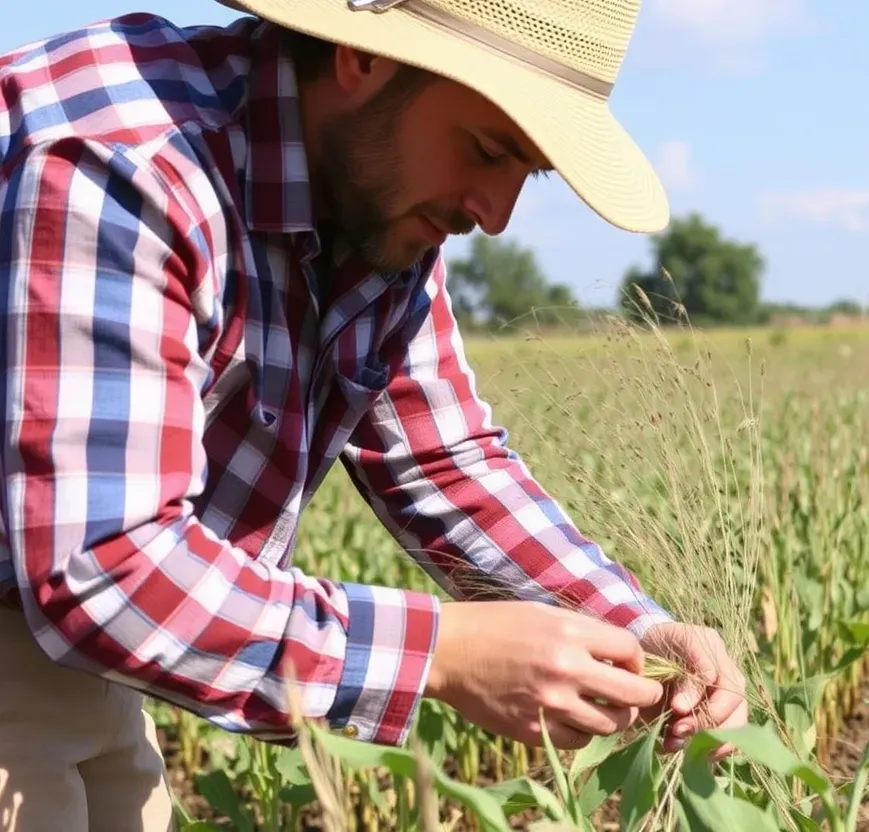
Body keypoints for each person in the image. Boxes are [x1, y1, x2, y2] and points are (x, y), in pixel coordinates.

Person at [0, 0, 748, 829]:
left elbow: (444, 462)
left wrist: (636, 630)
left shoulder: (372, 202)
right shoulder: (125, 165)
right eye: (489, 150)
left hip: (70, 649)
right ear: (363, 57)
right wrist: (443, 652)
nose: (493, 215)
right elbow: (107, 566)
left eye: (525, 173)